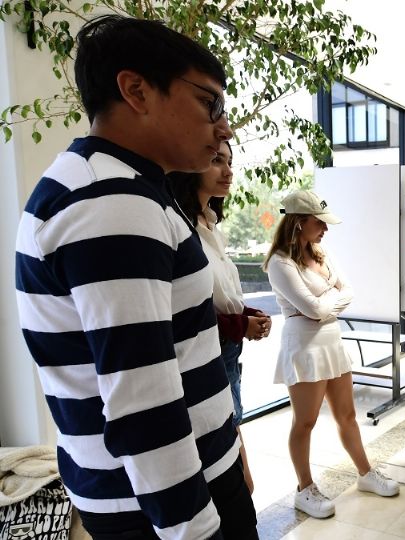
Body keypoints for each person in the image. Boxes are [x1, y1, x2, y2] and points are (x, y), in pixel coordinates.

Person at [14, 15, 257, 539]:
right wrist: (195, 530)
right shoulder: (111, 202)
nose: (224, 126)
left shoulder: (119, 186)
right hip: (159, 510)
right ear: (136, 90)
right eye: (208, 102)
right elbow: (142, 399)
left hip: (169, 489)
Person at [263, 190, 399, 519]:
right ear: (298, 223)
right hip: (305, 347)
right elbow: (311, 308)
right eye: (319, 222)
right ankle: (304, 489)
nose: (325, 229)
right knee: (305, 422)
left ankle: (366, 474)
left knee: (347, 415)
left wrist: (323, 308)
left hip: (331, 341)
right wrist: (326, 304)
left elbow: (344, 293)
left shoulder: (321, 253)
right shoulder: (279, 264)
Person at [169, 140, 272, 495]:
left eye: (230, 161)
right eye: (216, 160)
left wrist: (247, 315)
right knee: (231, 476)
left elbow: (220, 295)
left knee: (234, 455)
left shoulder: (210, 224)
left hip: (226, 351)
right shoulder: (179, 227)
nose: (228, 171)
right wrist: (238, 324)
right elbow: (186, 310)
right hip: (204, 355)